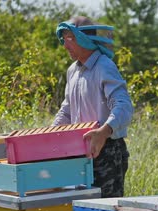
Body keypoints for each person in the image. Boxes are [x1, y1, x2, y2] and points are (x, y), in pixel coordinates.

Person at [53, 16, 133, 198]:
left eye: (69, 39)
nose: (65, 46)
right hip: (79, 151)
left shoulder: (104, 66)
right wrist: (50, 135)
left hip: (107, 151)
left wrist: (104, 132)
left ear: (84, 39)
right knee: (82, 210)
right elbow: (67, 110)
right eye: (63, 39)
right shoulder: (72, 71)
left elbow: (124, 106)